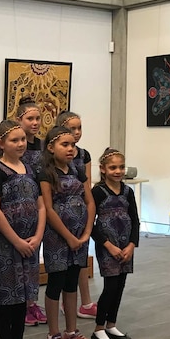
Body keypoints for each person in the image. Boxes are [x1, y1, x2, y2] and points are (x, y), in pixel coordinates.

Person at [0, 120, 46, 339]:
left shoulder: (30, 168)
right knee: (7, 297)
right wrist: (16, 240)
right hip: (6, 244)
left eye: (22, 139)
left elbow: (41, 204)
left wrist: (38, 235)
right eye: (14, 140)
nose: (20, 144)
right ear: (1, 143)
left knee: (23, 297)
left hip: (30, 243)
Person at [39, 127, 96, 339]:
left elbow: (89, 202)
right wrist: (69, 237)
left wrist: (86, 232)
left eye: (72, 144)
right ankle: (53, 334)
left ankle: (71, 331)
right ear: (51, 147)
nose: (71, 148)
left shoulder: (78, 169)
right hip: (57, 237)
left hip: (80, 235)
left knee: (72, 281)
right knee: (56, 282)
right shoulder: (46, 172)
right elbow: (49, 208)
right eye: (65, 144)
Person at [90, 148, 137, 339]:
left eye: (120, 167)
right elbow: (90, 224)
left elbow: (135, 220)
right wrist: (108, 245)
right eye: (112, 167)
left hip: (125, 245)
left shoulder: (128, 191)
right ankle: (99, 328)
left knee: (120, 286)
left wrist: (132, 245)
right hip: (108, 246)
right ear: (103, 169)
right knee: (110, 286)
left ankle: (112, 324)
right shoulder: (98, 192)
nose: (117, 171)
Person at [55, 111, 97, 320]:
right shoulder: (52, 160)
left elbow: (86, 185)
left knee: (80, 260)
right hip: (60, 217)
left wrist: (88, 218)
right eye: (72, 129)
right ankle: (62, 303)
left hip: (80, 213)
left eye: (80, 128)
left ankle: (86, 301)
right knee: (62, 265)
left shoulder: (83, 155)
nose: (77, 133)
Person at [14, 96, 47, 326]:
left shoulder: (44, 146)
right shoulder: (17, 145)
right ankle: (20, 304)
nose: (35, 123)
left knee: (34, 257)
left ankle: (32, 302)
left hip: (38, 204)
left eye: (37, 118)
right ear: (20, 120)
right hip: (17, 206)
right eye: (30, 119)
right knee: (19, 259)